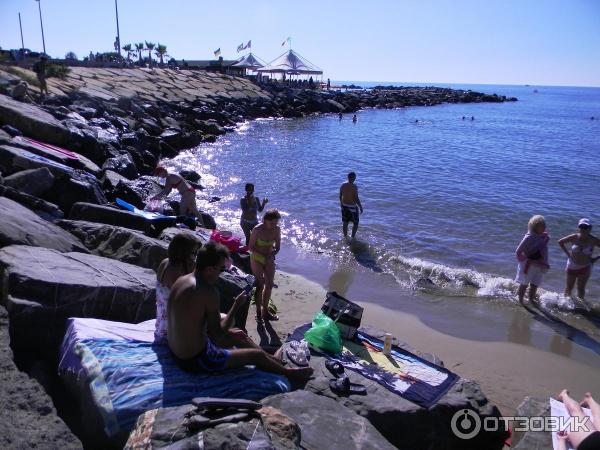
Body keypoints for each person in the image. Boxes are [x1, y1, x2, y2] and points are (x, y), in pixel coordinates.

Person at [167, 242, 312, 381]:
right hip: (195, 361)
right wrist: (236, 306)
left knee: (239, 334)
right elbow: (217, 336)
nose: (221, 273)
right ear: (209, 269)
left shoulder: (182, 280)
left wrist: (231, 333)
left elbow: (196, 323)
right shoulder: (208, 291)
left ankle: (274, 360)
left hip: (177, 352)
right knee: (255, 356)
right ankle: (288, 372)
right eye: (221, 269)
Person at [154, 232, 203, 343]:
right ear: (183, 252)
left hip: (161, 329)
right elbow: (190, 302)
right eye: (193, 253)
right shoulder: (178, 272)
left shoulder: (165, 262)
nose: (195, 257)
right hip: (172, 335)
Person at [249, 209, 281, 323]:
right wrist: (262, 254)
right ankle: (258, 311)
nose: (274, 225)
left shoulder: (277, 230)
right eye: (271, 223)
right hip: (257, 258)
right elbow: (251, 247)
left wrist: (272, 254)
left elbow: (277, 247)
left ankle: (265, 312)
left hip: (269, 258)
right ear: (264, 220)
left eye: (276, 222)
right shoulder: (257, 229)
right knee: (259, 285)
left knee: (269, 285)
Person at [558, 218, 599, 300]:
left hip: (585, 267)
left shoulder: (593, 240)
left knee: (580, 289)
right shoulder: (574, 237)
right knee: (569, 287)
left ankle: (580, 306)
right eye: (581, 227)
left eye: (585, 227)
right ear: (579, 227)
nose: (583, 229)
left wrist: (596, 258)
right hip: (572, 265)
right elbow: (560, 242)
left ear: (590, 228)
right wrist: (568, 254)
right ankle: (565, 304)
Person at [515, 215, 550, 304]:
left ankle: (531, 300)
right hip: (529, 265)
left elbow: (544, 251)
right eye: (542, 225)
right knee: (524, 284)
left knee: (535, 284)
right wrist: (523, 259)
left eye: (544, 225)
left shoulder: (543, 237)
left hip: (540, 264)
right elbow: (518, 251)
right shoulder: (529, 237)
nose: (544, 227)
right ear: (535, 226)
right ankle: (520, 301)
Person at [339, 172, 364, 239]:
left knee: (345, 222)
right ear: (353, 178)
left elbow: (340, 195)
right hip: (352, 207)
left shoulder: (343, 185)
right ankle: (353, 237)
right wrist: (360, 207)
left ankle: (345, 237)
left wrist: (341, 204)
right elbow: (356, 198)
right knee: (356, 223)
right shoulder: (354, 186)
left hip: (344, 206)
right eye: (355, 177)